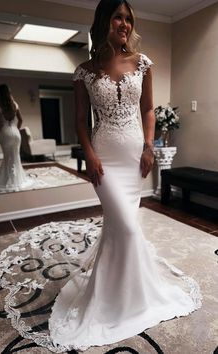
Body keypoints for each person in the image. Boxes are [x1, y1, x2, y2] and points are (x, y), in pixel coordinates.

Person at [48, 0, 202, 351]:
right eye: (118, 16)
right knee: (126, 226)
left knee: (122, 227)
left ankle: (128, 292)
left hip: (135, 155)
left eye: (128, 18)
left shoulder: (142, 63)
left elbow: (148, 108)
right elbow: (80, 121)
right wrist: (88, 154)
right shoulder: (84, 71)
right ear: (104, 21)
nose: (124, 23)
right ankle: (117, 302)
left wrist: (149, 146)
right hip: (104, 156)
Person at [0, 84, 30, 190]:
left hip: (5, 133)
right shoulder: (15, 105)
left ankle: (8, 181)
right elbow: (21, 120)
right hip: (16, 134)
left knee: (7, 157)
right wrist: (16, 129)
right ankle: (18, 180)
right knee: (16, 157)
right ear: (9, 93)